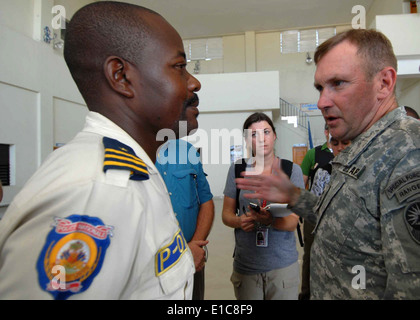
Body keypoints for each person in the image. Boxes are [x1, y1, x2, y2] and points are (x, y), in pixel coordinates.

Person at [0, 1, 202, 299]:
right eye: (180, 67)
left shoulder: (133, 171)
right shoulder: (100, 191)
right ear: (120, 76)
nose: (194, 83)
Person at [236, 29, 420, 299]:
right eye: (320, 87)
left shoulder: (407, 153)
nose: (322, 102)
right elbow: (341, 219)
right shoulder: (360, 145)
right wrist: (292, 195)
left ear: (384, 82)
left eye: (339, 83)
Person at [222, 112, 304, 300]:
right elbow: (226, 214)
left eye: (266, 132)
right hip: (247, 266)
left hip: (282, 267)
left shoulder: (292, 171)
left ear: (274, 135)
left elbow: (293, 222)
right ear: (246, 140)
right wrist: (239, 221)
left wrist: (270, 221)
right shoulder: (237, 169)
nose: (261, 139)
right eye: (253, 134)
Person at [155, 138, 215, 300]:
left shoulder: (186, 150)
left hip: (192, 259)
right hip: (151, 267)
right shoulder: (132, 150)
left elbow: (206, 201)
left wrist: (192, 249)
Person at [298, 123, 333, 300]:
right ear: (325, 132)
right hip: (313, 214)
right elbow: (302, 183)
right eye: (330, 129)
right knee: (310, 255)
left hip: (338, 215)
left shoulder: (352, 150)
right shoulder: (314, 153)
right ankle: (306, 293)